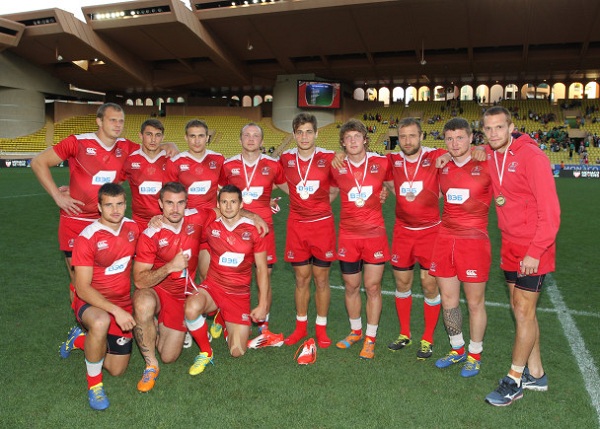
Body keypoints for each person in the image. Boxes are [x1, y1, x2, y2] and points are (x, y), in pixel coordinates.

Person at [481, 106, 560, 406]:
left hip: (533, 248)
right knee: (520, 310)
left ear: (511, 127)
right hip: (510, 245)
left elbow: (551, 213)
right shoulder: (490, 153)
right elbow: (472, 151)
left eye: (499, 128)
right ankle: (536, 373)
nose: (493, 134)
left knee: (524, 311)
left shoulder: (533, 157)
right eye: (488, 129)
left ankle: (514, 379)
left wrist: (536, 252)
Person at [31, 103, 144, 299]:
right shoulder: (78, 142)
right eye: (112, 120)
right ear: (99, 121)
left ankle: (104, 318)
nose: (118, 125)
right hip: (75, 221)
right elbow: (38, 162)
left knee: (106, 277)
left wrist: (171, 145)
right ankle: (81, 325)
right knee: (78, 280)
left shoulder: (127, 147)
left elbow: (152, 151)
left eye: (121, 121)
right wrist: (57, 196)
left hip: (108, 223)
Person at [58, 183, 139, 410]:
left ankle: (79, 339)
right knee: (101, 322)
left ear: (126, 204)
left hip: (121, 302)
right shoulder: (87, 237)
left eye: (120, 204)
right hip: (90, 302)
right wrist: (116, 310)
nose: (115, 210)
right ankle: (94, 385)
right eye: (109, 205)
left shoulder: (133, 228)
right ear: (99, 207)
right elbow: (82, 288)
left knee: (117, 368)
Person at [132, 182, 216, 392]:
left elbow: (226, 208)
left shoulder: (197, 217)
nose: (175, 209)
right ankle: (151, 365)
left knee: (169, 356)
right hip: (158, 289)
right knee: (142, 302)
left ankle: (155, 325)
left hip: (181, 295)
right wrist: (169, 267)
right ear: (160, 203)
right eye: (169, 203)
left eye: (180, 203)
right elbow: (140, 281)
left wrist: (255, 216)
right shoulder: (151, 233)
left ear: (187, 204)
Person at [183, 185, 271, 373]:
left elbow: (262, 269)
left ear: (241, 205)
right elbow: (180, 216)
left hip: (238, 293)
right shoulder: (210, 225)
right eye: (224, 202)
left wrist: (263, 304)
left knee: (237, 351)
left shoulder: (254, 230)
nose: (228, 206)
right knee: (191, 307)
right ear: (218, 204)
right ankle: (206, 352)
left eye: (233, 202)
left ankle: (222, 319)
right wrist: (158, 218)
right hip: (213, 286)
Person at [430, 118, 492, 378]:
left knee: (475, 302)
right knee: (448, 300)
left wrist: (486, 148)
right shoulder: (441, 166)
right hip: (445, 239)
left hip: (474, 240)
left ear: (470, 138)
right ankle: (458, 349)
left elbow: (511, 144)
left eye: (460, 138)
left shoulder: (486, 163)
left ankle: (475, 354)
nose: (455, 143)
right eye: (449, 139)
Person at [219, 123, 288, 348]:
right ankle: (227, 318)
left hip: (263, 230)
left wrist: (264, 198)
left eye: (256, 135)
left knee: (264, 277)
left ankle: (264, 326)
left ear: (261, 140)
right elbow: (219, 195)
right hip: (234, 230)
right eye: (246, 135)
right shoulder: (228, 165)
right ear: (240, 139)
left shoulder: (272, 165)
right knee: (233, 277)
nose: (251, 139)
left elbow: (289, 187)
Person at [384, 117, 444, 360]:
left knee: (430, 285)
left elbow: (461, 147)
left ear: (421, 136)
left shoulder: (435, 155)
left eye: (412, 135)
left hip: (431, 232)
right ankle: (404, 333)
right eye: (403, 136)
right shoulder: (392, 159)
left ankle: (427, 338)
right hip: (403, 232)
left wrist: (479, 150)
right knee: (402, 284)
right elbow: (380, 176)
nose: (407, 141)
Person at [332, 119, 390, 360]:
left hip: (375, 234)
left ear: (365, 139)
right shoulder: (335, 165)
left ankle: (370, 337)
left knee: (373, 287)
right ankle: (356, 331)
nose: (353, 141)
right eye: (348, 138)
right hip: (348, 235)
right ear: (343, 142)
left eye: (357, 136)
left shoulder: (382, 162)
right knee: (351, 286)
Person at [279, 113, 338, 348]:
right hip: (297, 227)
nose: (304, 136)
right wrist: (297, 197)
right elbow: (277, 180)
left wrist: (319, 204)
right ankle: (301, 327)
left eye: (309, 132)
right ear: (294, 135)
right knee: (301, 280)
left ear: (316, 133)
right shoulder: (284, 158)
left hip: (322, 226)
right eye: (300, 132)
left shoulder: (329, 157)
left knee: (321, 280)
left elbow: (336, 188)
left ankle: (321, 329)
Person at [165, 119, 225, 281]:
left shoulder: (218, 160)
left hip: (211, 225)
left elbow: (226, 190)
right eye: (192, 136)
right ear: (186, 138)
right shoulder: (176, 162)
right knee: (183, 277)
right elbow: (168, 196)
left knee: (208, 275)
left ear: (207, 137)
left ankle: (208, 306)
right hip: (185, 227)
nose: (197, 140)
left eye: (200, 136)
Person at [120, 118, 169, 228]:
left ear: (162, 137)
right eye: (149, 134)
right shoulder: (130, 160)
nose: (153, 139)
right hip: (139, 222)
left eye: (157, 135)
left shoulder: (170, 159)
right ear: (141, 136)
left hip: (164, 220)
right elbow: (113, 184)